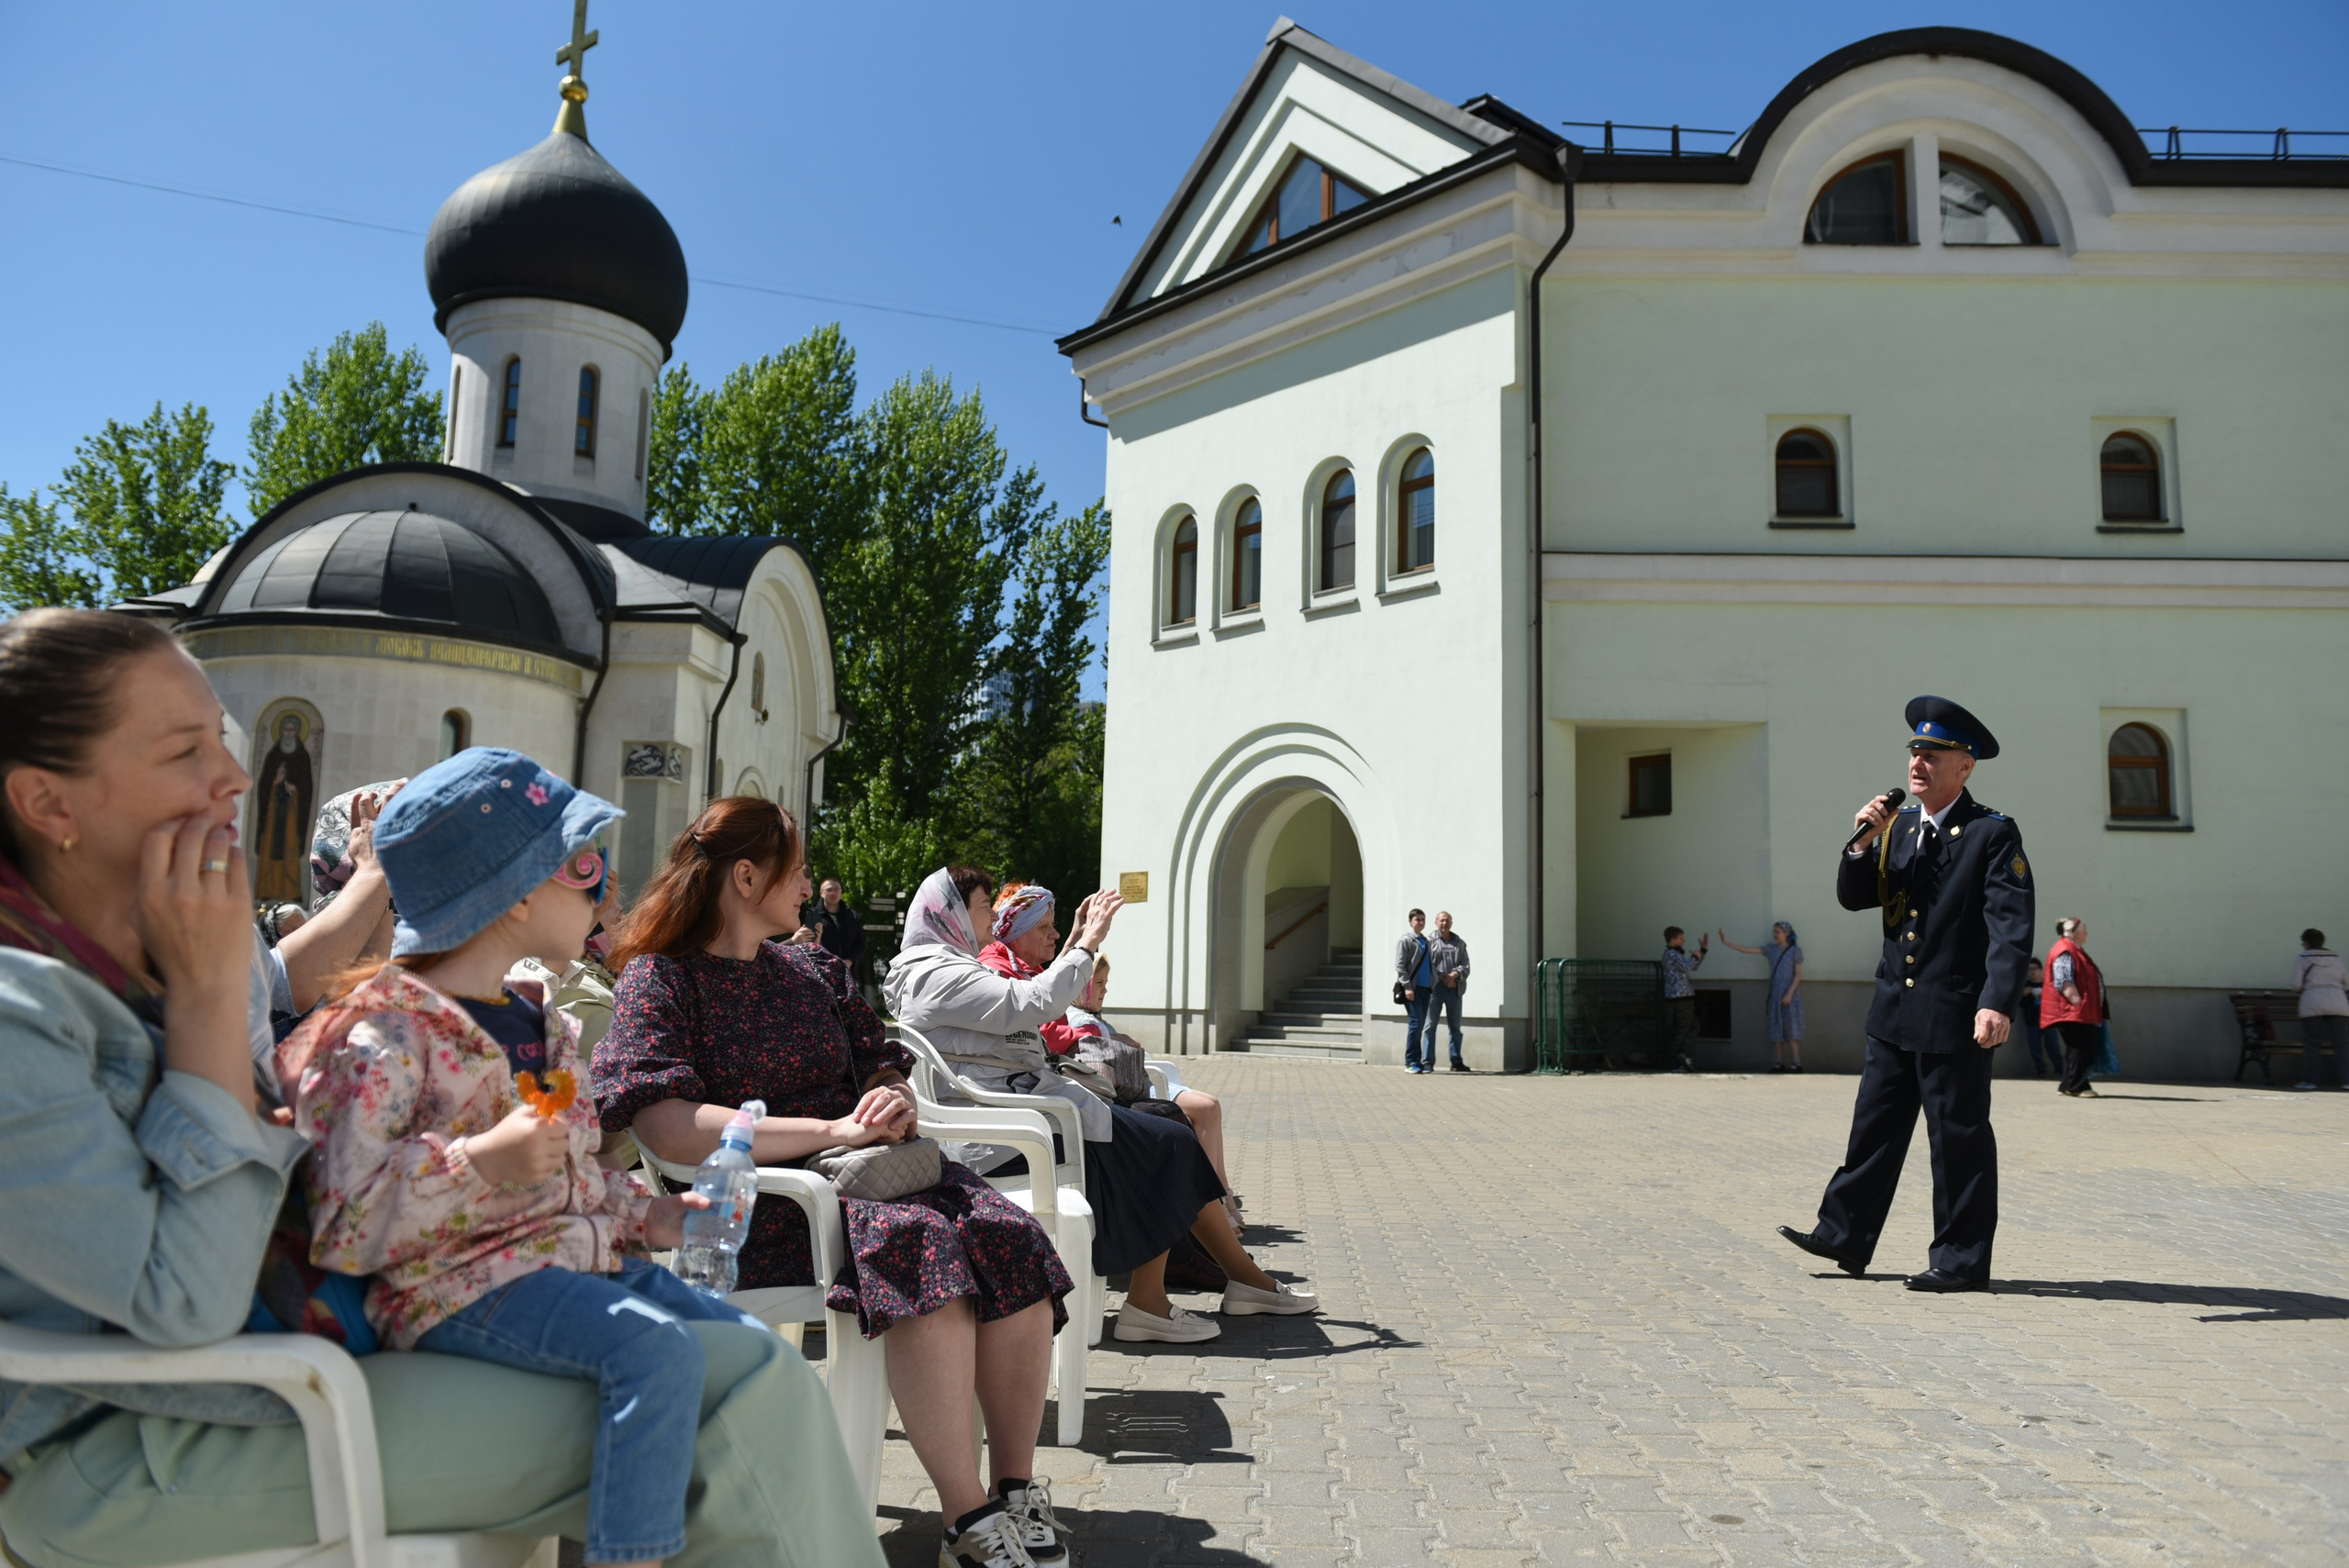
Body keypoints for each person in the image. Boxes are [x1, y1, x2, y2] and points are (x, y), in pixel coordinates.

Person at [0, 610, 879, 1568]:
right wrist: (211, 998)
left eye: (221, 736)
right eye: (183, 748)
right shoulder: (28, 1012)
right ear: (47, 800)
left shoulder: (196, 940)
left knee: (756, 1376)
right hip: (129, 1435)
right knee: (731, 1403)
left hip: (316, 1341)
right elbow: (196, 1300)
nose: (236, 777)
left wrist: (640, 1215)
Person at [279, 749, 775, 1568]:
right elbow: (344, 1220)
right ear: (511, 893)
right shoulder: (386, 1033)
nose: (606, 891)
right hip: (453, 1286)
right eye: (585, 865)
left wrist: (646, 1215)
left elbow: (573, 1174)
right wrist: (476, 1162)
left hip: (560, 1265)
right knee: (654, 1353)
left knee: (748, 1347)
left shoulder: (540, 1022)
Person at [591, 801, 1074, 1568]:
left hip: (874, 1170)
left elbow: (879, 1062)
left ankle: (1015, 1487)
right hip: (769, 1201)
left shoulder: (813, 969)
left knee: (1011, 1234)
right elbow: (668, 1125)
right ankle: (965, 1516)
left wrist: (891, 1097)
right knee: (926, 1246)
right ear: (745, 877)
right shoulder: (662, 978)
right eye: (797, 868)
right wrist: (832, 1131)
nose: (808, 883)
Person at [885, 866, 1316, 1347]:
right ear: (952, 912)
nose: (991, 918)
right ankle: (1162, 1300)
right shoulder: (938, 974)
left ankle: (1216, 1286)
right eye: (985, 907)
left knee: (1166, 1135)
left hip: (1017, 1118)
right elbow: (1033, 1004)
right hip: (1008, 1134)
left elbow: (1028, 1003)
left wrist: (1076, 941)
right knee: (1168, 1143)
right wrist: (1088, 942)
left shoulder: (938, 967)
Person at [1779, 695, 2032, 1294]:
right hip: (1893, 1007)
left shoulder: (1991, 833)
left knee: (1958, 1139)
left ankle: (1961, 1260)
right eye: (1915, 752)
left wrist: (1997, 1000)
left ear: (1964, 767)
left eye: (1933, 754)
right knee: (1873, 1130)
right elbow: (1855, 897)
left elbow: (2011, 924)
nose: (1918, 762)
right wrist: (1861, 844)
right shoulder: (1900, 827)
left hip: (1953, 1012)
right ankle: (1843, 1234)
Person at [979, 887, 1242, 1270]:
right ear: (1017, 932)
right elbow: (1044, 1015)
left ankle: (1190, 1258)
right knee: (1168, 1135)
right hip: (1036, 1112)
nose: (1055, 934)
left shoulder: (1009, 964)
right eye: (1045, 927)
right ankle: (1198, 1266)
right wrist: (1089, 942)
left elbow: (1046, 995)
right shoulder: (993, 968)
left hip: (1049, 1101)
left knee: (1170, 1126)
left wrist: (1078, 933)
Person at [1064, 952, 1244, 1236]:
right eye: (1098, 983)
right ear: (1080, 988)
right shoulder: (1077, 1019)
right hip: (1139, 1088)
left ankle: (1222, 1196)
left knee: (1211, 1106)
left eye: (1106, 982)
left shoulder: (1090, 1017)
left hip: (1146, 1080)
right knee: (1208, 1107)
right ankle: (1213, 1204)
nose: (1105, 989)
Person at [1719, 923, 1804, 1072]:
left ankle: (1797, 1062)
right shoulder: (1770, 949)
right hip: (1775, 993)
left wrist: (1790, 993)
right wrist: (1727, 943)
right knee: (1776, 1027)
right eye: (1774, 931)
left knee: (1791, 1027)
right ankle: (1779, 1062)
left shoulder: (1795, 951)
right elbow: (1747, 950)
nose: (1775, 934)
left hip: (1789, 994)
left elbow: (1798, 975)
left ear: (1786, 934)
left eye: (1778, 932)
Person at [2041, 917, 2108, 1099]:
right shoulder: (2065, 949)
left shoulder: (2071, 948)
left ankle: (2068, 1085)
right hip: (2072, 1011)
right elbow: (2063, 980)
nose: (2087, 933)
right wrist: (2079, 1002)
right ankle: (2077, 1086)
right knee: (2082, 1048)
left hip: (2074, 1011)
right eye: (2085, 929)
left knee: (2076, 1049)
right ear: (2075, 932)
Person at [2290, 929, 2346, 1092]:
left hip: (2312, 1002)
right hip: (2338, 1003)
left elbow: (2296, 985)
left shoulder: (2303, 958)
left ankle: (2311, 1081)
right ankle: (2347, 1080)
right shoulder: (2337, 958)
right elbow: (2347, 982)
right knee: (2342, 1044)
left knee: (2312, 1043)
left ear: (2306, 943)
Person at [1427, 911, 1472, 1073]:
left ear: (1451, 923)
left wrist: (1454, 976)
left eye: (1447, 920)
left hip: (1454, 988)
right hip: (1435, 989)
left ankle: (1456, 1061)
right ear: (1436, 923)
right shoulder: (1429, 942)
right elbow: (1428, 965)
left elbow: (1465, 964)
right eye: (1441, 921)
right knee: (1430, 1026)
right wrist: (1442, 977)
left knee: (1455, 1027)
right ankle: (1427, 1062)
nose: (1444, 923)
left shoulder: (1459, 943)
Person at [1661, 926, 1708, 1073]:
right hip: (1680, 997)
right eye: (1681, 938)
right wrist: (1695, 956)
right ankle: (1677, 1061)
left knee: (1692, 1027)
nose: (1684, 940)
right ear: (1673, 939)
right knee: (1683, 1029)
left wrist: (1702, 952)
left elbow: (1692, 967)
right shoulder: (1672, 954)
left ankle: (1684, 1057)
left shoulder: (1675, 954)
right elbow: (1687, 966)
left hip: (1680, 996)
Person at [1397, 908, 1435, 1073]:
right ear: (1410, 921)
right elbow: (1400, 965)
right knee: (1415, 1024)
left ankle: (1418, 1062)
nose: (1420, 922)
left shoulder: (1426, 941)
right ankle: (1411, 1062)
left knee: (1420, 1025)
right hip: (1413, 989)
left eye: (1423, 919)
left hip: (1426, 989)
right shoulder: (1406, 940)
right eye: (1417, 919)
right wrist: (1407, 987)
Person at [803, 874, 868, 973]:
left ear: (841, 891)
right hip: (822, 972)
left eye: (836, 889)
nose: (833, 893)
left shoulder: (852, 916)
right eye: (829, 890)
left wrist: (850, 961)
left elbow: (861, 942)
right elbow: (808, 945)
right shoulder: (813, 916)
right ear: (821, 893)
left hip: (848, 972)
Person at [2017, 956, 2056, 1077]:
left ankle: (2060, 1069)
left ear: (2041, 970)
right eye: (2030, 969)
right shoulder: (2025, 985)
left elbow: (2055, 1002)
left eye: (2035, 969)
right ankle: (2041, 1070)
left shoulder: (2048, 984)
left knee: (2053, 1046)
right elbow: (2021, 1005)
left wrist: (2045, 994)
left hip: (2049, 1021)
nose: (2033, 972)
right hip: (2032, 1021)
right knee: (2035, 1048)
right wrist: (2024, 994)